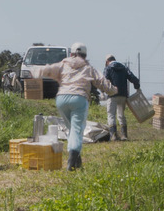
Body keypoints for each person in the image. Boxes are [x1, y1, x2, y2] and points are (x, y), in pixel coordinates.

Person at [36, 43, 118, 171]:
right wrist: (113, 90)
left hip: (61, 99)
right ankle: (71, 161)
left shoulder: (63, 64)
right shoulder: (88, 67)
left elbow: (47, 70)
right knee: (77, 130)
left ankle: (77, 159)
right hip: (79, 98)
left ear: (71, 54)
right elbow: (102, 82)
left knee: (71, 129)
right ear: (85, 56)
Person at [103, 54, 140, 141]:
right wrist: (137, 87)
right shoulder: (124, 68)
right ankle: (124, 135)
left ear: (107, 61)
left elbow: (104, 81)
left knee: (111, 115)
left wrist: (103, 92)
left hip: (112, 95)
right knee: (121, 115)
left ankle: (114, 136)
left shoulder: (108, 68)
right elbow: (133, 78)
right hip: (123, 95)